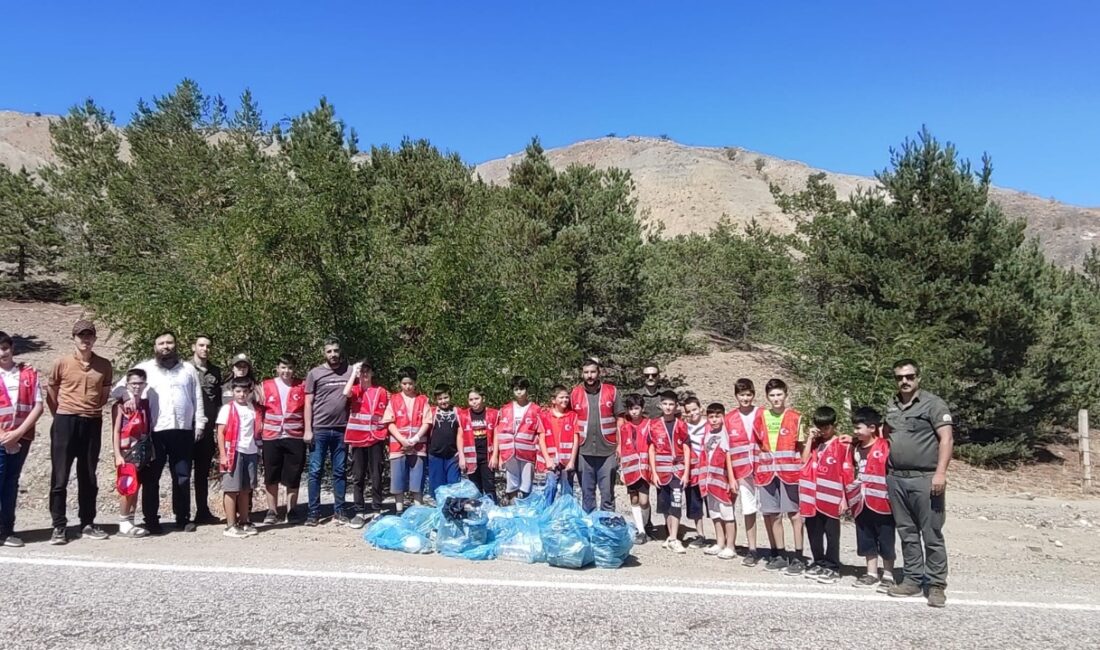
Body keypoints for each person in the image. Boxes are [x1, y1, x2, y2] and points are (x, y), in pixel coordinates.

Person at [112, 331, 206, 535]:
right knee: (151, 478)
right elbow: (117, 389)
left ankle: (183, 518)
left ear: (176, 345)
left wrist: (199, 423)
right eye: (161, 343)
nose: (166, 346)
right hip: (155, 432)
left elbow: (197, 397)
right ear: (155, 347)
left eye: (169, 342)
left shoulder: (188, 369)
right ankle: (151, 520)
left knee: (182, 476)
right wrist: (127, 395)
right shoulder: (145, 368)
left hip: (183, 430)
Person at [883, 359, 953, 608]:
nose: (904, 381)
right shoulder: (891, 404)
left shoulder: (933, 404)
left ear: (918, 378)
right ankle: (912, 579)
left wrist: (940, 473)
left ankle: (935, 585)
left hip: (925, 478)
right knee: (907, 532)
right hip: (896, 478)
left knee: (931, 533)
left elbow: (946, 439)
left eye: (910, 376)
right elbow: (885, 436)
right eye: (900, 377)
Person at [46, 319, 113, 544]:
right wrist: (63, 412)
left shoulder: (104, 365)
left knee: (89, 475)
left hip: (92, 422)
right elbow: (52, 391)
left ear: (94, 338)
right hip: (65, 421)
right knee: (60, 476)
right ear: (73, 338)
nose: (85, 340)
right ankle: (58, 526)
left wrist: (89, 409)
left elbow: (104, 395)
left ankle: (87, 522)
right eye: (81, 336)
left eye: (89, 336)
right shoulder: (61, 363)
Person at [753, 378, 805, 574]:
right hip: (767, 472)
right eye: (772, 395)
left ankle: (799, 556)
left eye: (779, 395)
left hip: (789, 472)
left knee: (794, 514)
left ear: (785, 394)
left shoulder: (795, 417)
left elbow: (800, 446)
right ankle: (780, 553)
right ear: (767, 397)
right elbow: (758, 444)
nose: (776, 399)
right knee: (772, 514)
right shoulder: (761, 417)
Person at [799, 406, 855, 584]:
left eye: (826, 428)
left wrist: (845, 498)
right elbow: (804, 461)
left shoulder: (842, 445)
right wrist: (809, 439)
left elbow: (847, 472)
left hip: (832, 496)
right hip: (812, 496)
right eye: (820, 427)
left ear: (834, 425)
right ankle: (818, 560)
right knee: (814, 530)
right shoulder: (816, 444)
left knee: (831, 533)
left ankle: (832, 565)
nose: (823, 431)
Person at [0, 330, 44, 548]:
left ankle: (7, 530)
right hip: (1, 438)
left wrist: (17, 434)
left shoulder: (28, 373)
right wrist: (3, 437)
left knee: (11, 484)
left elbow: (38, 405)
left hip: (21, 437)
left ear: (12, 348)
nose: (2, 353)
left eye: (5, 348)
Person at [304, 338, 353, 526]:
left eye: (336, 350)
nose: (333, 354)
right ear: (324, 353)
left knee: (340, 471)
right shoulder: (315, 373)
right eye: (329, 351)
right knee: (315, 471)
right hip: (320, 429)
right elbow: (307, 402)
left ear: (340, 351)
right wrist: (308, 429)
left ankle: (340, 510)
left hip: (341, 430)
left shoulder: (350, 371)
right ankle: (313, 512)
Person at [849, 406, 896, 591]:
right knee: (866, 537)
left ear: (872, 428)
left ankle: (889, 574)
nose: (855, 431)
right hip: (862, 503)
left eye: (859, 428)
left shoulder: (885, 446)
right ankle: (871, 573)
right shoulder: (855, 447)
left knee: (885, 538)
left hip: (883, 503)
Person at [571, 358, 624, 513]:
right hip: (583, 451)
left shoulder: (611, 391)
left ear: (599, 372)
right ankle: (590, 529)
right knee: (587, 495)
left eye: (593, 372)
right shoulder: (575, 393)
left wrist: (620, 446)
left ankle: (607, 528)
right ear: (582, 374)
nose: (590, 376)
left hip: (608, 450)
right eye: (586, 372)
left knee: (607, 494)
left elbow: (621, 419)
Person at [260, 356, 307, 525]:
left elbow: (309, 408)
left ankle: (291, 510)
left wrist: (309, 430)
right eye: (283, 367)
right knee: (271, 475)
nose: (286, 371)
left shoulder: (302, 385)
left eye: (290, 368)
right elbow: (258, 409)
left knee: (293, 475)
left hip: (294, 435)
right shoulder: (266, 385)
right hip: (271, 436)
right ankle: (272, 510)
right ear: (277, 368)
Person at [343, 360, 389, 528]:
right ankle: (359, 511)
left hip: (376, 438)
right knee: (358, 476)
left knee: (376, 475)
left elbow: (387, 414)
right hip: (357, 439)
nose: (364, 374)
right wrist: (353, 374)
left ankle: (377, 510)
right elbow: (345, 392)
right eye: (362, 371)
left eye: (367, 371)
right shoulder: (355, 389)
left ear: (372, 373)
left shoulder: (382, 391)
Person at [217, 377, 262, 538]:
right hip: (233, 452)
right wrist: (222, 455)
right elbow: (220, 433)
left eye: (245, 391)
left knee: (245, 489)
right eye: (238, 391)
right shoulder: (227, 408)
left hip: (250, 451)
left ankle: (244, 521)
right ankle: (230, 525)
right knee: (231, 489)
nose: (241, 394)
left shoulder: (253, 408)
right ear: (233, 392)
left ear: (250, 392)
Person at [724, 378, 762, 566]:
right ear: (736, 396)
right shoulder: (729, 418)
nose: (745, 398)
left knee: (772, 512)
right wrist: (731, 477)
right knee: (749, 510)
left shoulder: (762, 413)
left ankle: (777, 550)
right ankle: (752, 548)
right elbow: (727, 450)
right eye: (741, 395)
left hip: (764, 469)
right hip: (742, 472)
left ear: (753, 395)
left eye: (748, 395)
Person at [111, 368, 152, 538]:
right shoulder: (120, 406)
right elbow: (115, 431)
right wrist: (118, 455)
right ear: (127, 384)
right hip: (126, 451)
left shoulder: (144, 404)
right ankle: (123, 521)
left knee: (136, 486)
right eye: (133, 383)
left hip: (141, 451)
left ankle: (131, 520)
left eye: (140, 383)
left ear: (145, 385)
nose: (136, 387)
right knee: (127, 486)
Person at [383, 366, 431, 514]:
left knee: (417, 480)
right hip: (398, 447)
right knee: (398, 480)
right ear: (400, 384)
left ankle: (418, 510)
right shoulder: (394, 400)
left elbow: (427, 421)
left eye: (410, 383)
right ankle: (399, 510)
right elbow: (389, 422)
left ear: (415, 382)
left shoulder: (423, 400)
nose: (407, 386)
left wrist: (416, 439)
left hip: (418, 447)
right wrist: (402, 440)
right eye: (404, 383)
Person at [649, 390, 689, 553]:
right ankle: (669, 535)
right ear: (660, 405)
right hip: (661, 471)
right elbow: (651, 449)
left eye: (671, 404)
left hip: (678, 471)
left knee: (676, 504)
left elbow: (686, 448)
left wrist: (686, 472)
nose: (668, 407)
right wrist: (654, 472)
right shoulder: (654, 425)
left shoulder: (681, 424)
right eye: (665, 404)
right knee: (665, 505)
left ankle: (674, 537)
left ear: (676, 406)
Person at [188, 335, 222, 524]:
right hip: (187, 428)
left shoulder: (215, 371)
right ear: (194, 347)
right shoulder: (183, 369)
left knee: (202, 472)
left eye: (208, 346)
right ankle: (182, 513)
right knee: (183, 472)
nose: (205, 349)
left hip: (207, 429)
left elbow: (217, 401)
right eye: (201, 345)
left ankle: (202, 511)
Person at [493, 377, 542, 504]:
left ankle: (525, 509)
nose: (519, 392)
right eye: (516, 389)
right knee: (512, 482)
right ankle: (513, 509)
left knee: (526, 484)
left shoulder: (536, 409)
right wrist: (497, 455)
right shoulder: (505, 409)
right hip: (509, 453)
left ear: (527, 390)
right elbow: (498, 432)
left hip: (528, 454)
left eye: (522, 389)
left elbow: (540, 433)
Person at [700, 402, 737, 560]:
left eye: (717, 416)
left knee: (727, 514)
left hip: (722, 480)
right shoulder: (707, 432)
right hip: (710, 481)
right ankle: (720, 542)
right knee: (715, 513)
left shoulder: (725, 434)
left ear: (723, 416)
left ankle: (731, 546)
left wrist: (731, 479)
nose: (714, 420)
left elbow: (728, 456)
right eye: (711, 417)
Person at [618, 394, 652, 544]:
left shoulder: (649, 424)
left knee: (644, 501)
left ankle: (645, 525)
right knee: (635, 499)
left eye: (637, 408)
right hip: (629, 470)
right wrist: (621, 471)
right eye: (631, 409)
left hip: (645, 469)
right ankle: (641, 531)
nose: (634, 412)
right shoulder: (624, 428)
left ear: (642, 408)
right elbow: (621, 450)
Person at [537, 384, 578, 504]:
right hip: (551, 462)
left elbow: (576, 439)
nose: (565, 400)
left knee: (567, 490)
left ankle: (566, 515)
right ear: (553, 400)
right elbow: (541, 439)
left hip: (566, 462)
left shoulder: (572, 416)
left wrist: (572, 461)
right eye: (561, 397)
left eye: (566, 397)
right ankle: (546, 512)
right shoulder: (544, 416)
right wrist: (547, 460)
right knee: (551, 486)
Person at [457, 387, 499, 500]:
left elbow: (496, 436)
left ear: (483, 398)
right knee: (474, 488)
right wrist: (461, 457)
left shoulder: (493, 414)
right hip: (471, 458)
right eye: (471, 399)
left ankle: (493, 511)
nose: (474, 402)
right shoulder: (463, 415)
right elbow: (460, 436)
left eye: (476, 398)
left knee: (489, 486)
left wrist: (495, 456)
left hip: (487, 457)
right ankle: (477, 512)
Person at [681, 396, 709, 549]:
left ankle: (722, 538)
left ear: (701, 409)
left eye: (695, 409)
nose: (692, 413)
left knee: (713, 504)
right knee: (695, 504)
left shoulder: (709, 425)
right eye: (689, 411)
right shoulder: (684, 427)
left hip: (708, 471)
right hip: (691, 471)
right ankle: (701, 535)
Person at [427, 383, 461, 500]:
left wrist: (461, 453)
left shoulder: (457, 412)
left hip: (453, 455)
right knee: (437, 487)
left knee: (454, 485)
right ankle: (438, 511)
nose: (443, 401)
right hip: (435, 454)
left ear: (450, 397)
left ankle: (453, 511)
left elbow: (463, 433)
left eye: (445, 397)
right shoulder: (432, 412)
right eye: (440, 399)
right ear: (436, 400)